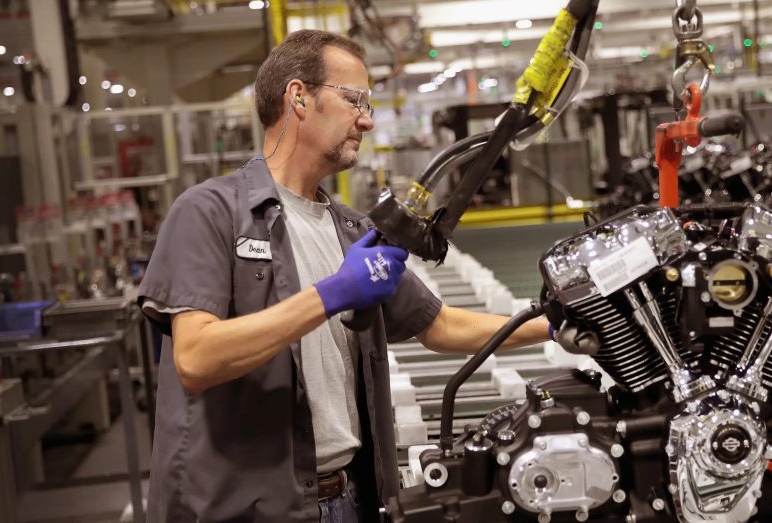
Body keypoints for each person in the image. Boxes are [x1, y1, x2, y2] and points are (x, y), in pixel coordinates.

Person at [138, 29, 551, 523]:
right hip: (250, 509)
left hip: (350, 499)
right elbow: (196, 357)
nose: (368, 120)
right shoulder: (210, 212)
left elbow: (440, 326)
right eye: (354, 99)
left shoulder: (352, 230)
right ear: (298, 98)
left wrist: (556, 322)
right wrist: (334, 293)